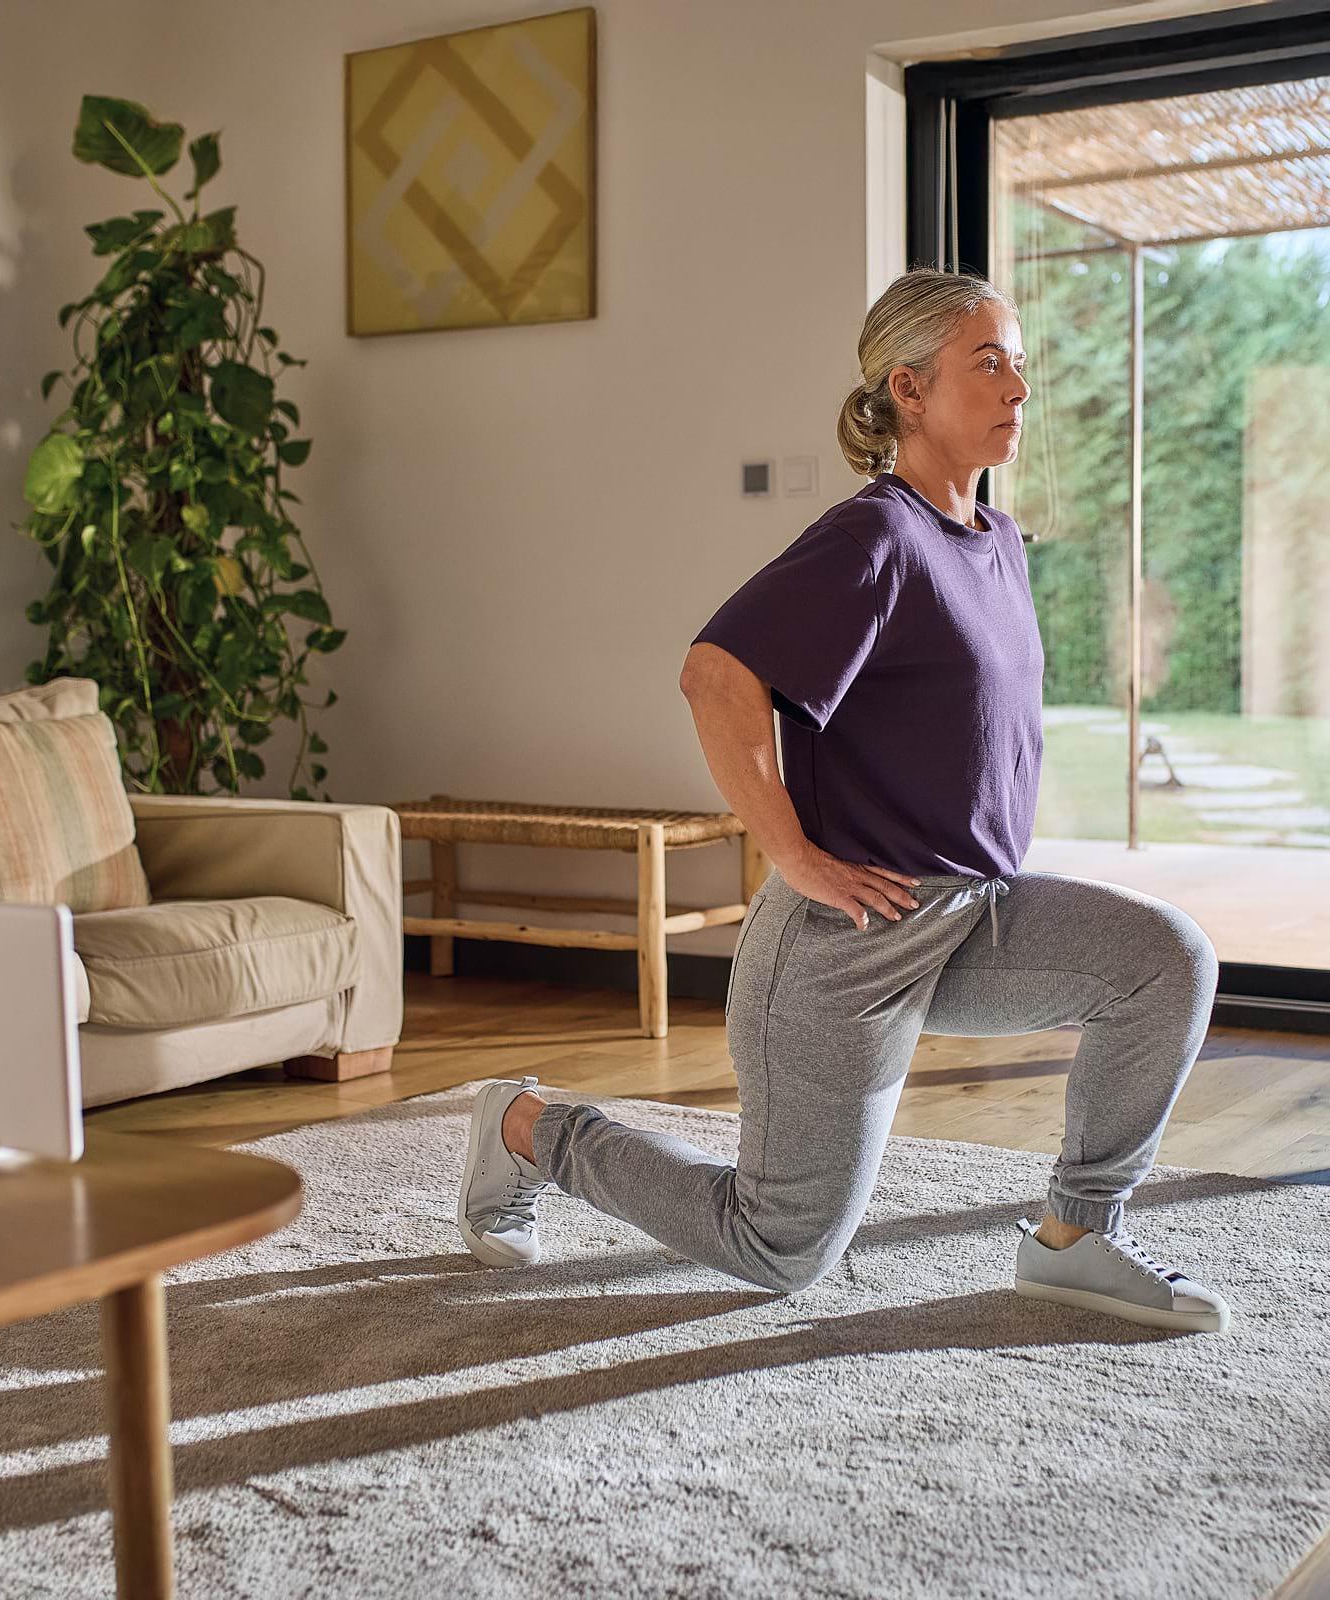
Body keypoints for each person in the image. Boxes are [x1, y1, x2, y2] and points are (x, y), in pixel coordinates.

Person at [455, 266, 1231, 1335]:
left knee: (1165, 959)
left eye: (1020, 363)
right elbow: (715, 674)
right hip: (843, 941)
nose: (1017, 386)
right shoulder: (876, 535)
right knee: (776, 1248)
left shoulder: (994, 540)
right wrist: (794, 856)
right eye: (987, 361)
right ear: (906, 389)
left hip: (972, 912)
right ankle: (527, 1125)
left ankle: (1074, 1237)